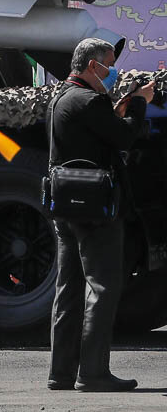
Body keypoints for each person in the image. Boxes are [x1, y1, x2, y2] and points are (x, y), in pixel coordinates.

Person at [46, 38, 152, 392]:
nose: (113, 72)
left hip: (65, 206)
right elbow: (123, 138)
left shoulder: (63, 97)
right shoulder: (90, 101)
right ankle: (92, 372)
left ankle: (60, 372)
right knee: (104, 286)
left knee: (69, 289)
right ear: (93, 66)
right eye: (109, 64)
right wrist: (139, 104)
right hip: (95, 209)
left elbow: (95, 135)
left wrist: (117, 109)